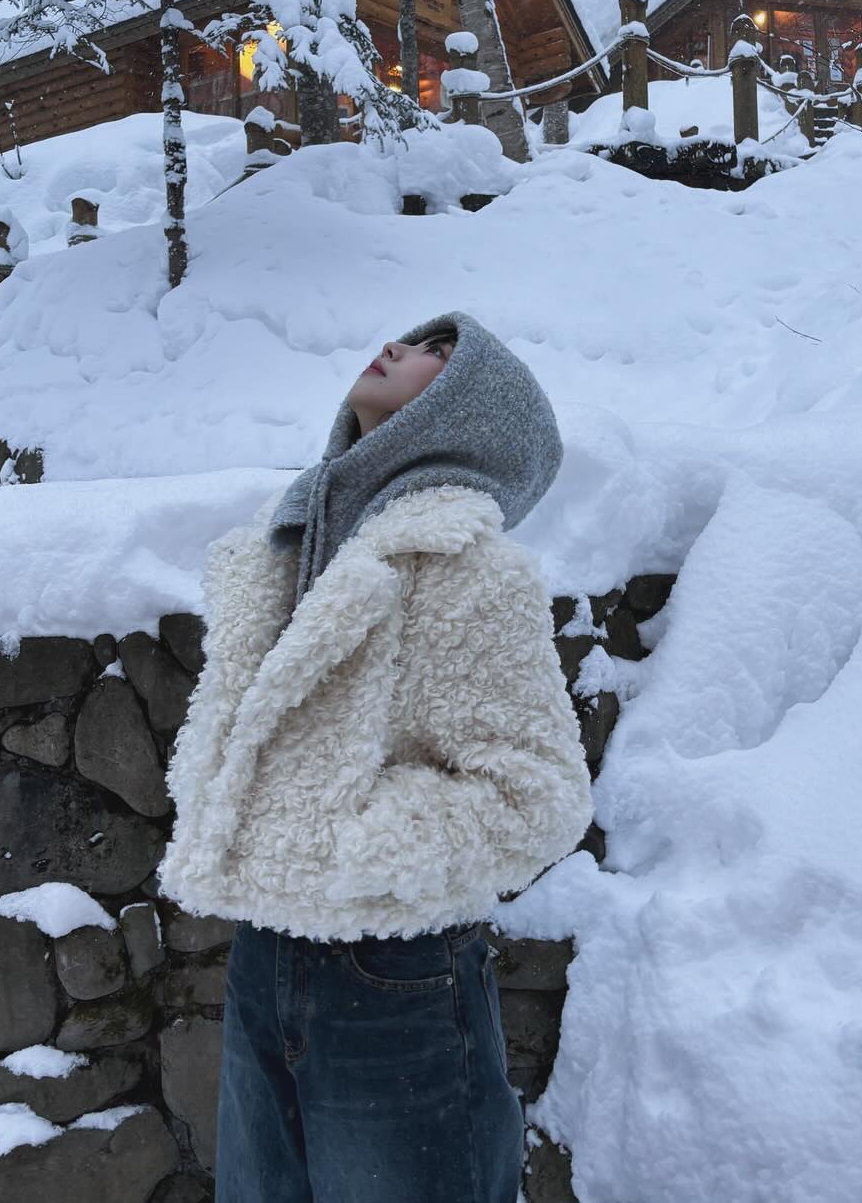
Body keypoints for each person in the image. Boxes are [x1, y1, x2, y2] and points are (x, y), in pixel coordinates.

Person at [156, 309, 593, 1203]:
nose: (400, 346)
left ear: (471, 416)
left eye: (441, 356)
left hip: (394, 972)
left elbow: (539, 794)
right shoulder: (305, 542)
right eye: (418, 337)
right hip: (265, 950)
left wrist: (359, 843)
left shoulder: (469, 570)